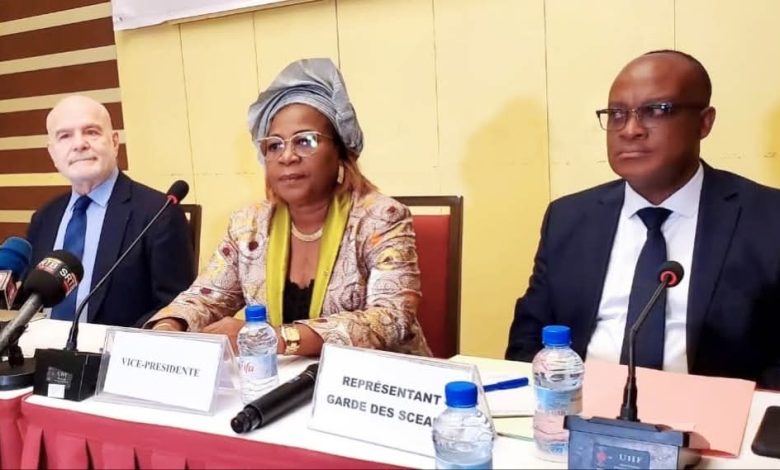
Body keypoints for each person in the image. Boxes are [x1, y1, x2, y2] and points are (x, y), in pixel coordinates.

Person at [506, 50, 780, 388]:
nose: (630, 129)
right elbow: (527, 342)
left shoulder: (768, 217)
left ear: (704, 122)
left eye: (656, 110)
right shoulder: (568, 218)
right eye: (617, 114)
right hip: (580, 406)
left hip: (717, 412)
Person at [146, 58, 431, 358]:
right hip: (284, 378)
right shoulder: (248, 225)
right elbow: (207, 297)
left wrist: (275, 338)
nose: (287, 156)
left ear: (340, 150)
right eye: (274, 145)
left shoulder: (381, 219)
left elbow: (390, 318)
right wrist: (170, 326)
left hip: (371, 378)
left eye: (305, 141)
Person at [27, 95, 195, 327]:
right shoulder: (44, 217)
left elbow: (176, 307)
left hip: (117, 348)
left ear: (115, 142)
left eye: (91, 132)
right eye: (65, 136)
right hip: (39, 346)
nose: (79, 144)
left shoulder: (159, 214)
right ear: (52, 153)